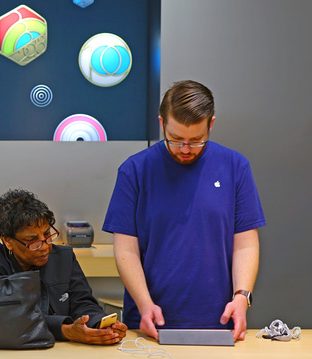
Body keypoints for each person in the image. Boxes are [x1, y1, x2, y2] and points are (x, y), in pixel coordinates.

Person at [102, 80, 266, 341]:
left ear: (211, 125)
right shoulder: (135, 171)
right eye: (176, 139)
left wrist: (241, 297)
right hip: (148, 324)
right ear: (162, 124)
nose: (186, 149)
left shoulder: (235, 167)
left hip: (218, 322)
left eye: (196, 140)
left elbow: (245, 244)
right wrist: (145, 303)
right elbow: (126, 250)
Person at [0, 189, 127, 345]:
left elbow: (83, 303)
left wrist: (99, 325)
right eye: (33, 240)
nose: (45, 246)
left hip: (64, 354)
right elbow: (2, 320)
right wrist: (65, 330)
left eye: (47, 235)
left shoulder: (63, 258)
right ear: (8, 241)